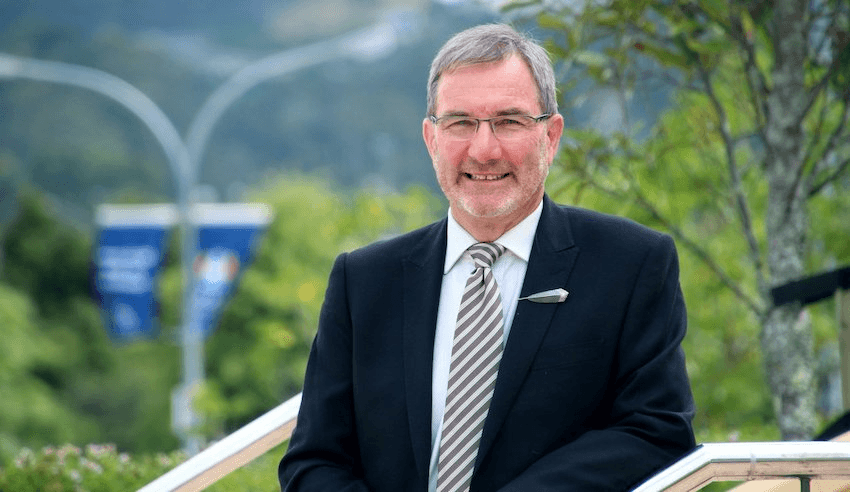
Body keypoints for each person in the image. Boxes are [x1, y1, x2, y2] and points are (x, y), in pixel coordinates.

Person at [279, 23, 696, 492]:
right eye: (460, 123)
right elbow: (314, 462)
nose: (483, 149)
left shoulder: (631, 265)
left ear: (551, 136)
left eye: (509, 121)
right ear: (431, 139)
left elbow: (656, 433)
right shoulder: (364, 281)